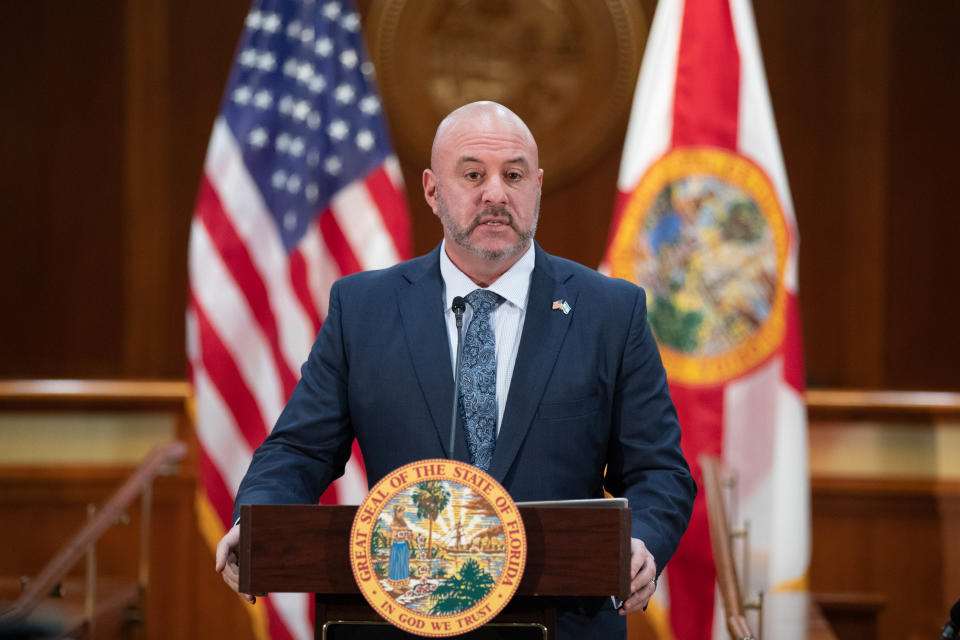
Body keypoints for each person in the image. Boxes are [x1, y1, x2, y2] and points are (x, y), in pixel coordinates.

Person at [216, 101, 696, 638]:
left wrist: (642, 544)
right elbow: (299, 450)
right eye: (473, 175)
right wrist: (254, 523)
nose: (495, 193)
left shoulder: (610, 312)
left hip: (563, 620)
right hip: (400, 616)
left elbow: (660, 471)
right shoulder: (364, 309)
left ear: (536, 186)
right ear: (431, 189)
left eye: (513, 175)